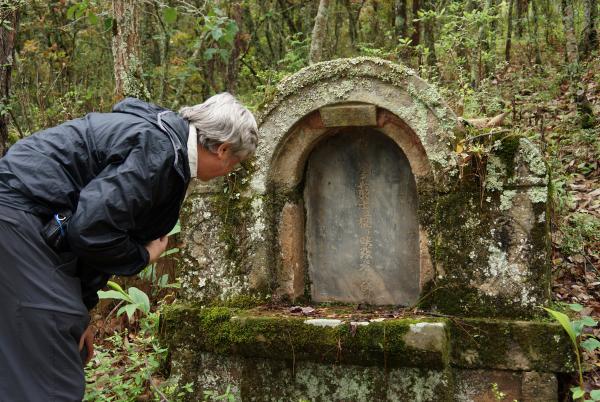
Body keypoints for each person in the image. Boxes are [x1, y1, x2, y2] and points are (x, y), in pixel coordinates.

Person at [0, 93, 258, 401]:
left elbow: (87, 231)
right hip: (18, 221)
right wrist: (143, 255)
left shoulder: (160, 139)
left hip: (29, 227)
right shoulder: (158, 151)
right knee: (52, 376)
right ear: (223, 149)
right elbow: (90, 230)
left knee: (40, 356)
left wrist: (81, 312)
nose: (230, 171)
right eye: (235, 162)